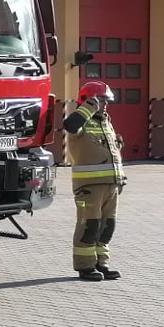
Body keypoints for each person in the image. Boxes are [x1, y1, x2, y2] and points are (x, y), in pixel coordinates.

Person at [63, 81, 124, 281]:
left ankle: (101, 263)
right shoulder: (81, 122)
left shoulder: (106, 121)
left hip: (110, 185)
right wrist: (88, 107)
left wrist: (119, 178)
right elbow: (70, 126)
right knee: (89, 226)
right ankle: (85, 266)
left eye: (107, 100)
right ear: (90, 100)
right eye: (101, 100)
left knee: (107, 226)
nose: (105, 104)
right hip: (89, 188)